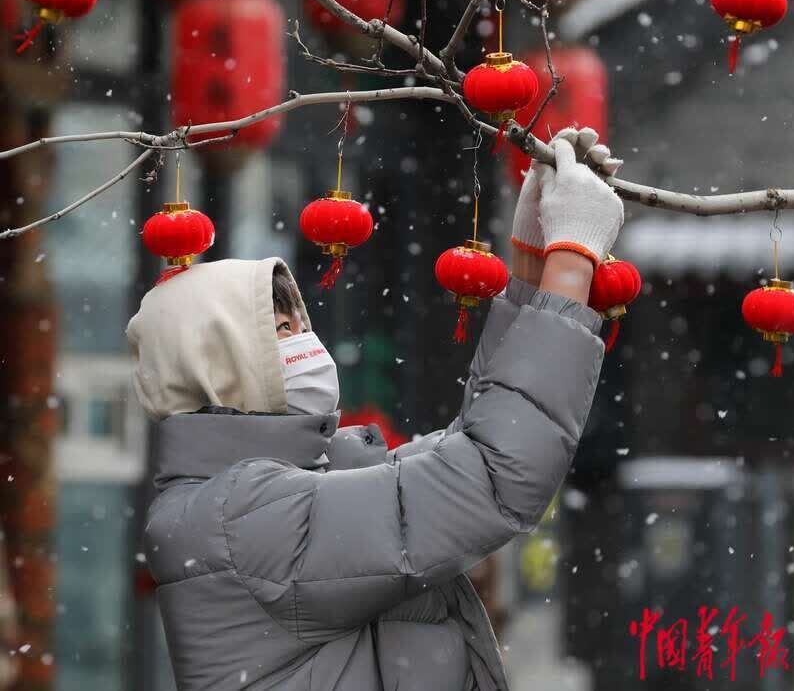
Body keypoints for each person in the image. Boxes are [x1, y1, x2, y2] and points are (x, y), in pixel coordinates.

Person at [126, 128, 624, 691]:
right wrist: (571, 263)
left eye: (303, 323)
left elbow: (472, 449)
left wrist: (534, 268)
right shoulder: (241, 518)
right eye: (282, 330)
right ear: (218, 366)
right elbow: (492, 475)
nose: (306, 343)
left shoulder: (262, 499)